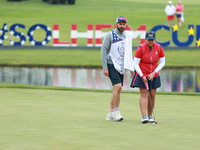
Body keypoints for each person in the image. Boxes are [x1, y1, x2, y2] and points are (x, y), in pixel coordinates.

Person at [101, 16, 134, 121]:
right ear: (116, 24)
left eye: (124, 24)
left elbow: (128, 53)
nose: (122, 26)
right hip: (111, 64)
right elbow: (103, 50)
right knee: (118, 87)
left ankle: (110, 113)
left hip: (121, 65)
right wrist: (105, 67)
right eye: (120, 24)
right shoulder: (110, 35)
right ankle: (116, 111)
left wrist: (130, 67)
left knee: (116, 89)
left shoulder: (126, 36)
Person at [130, 31, 165, 123]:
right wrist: (141, 75)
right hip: (142, 73)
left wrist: (154, 72)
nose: (150, 41)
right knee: (144, 93)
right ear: (146, 40)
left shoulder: (159, 48)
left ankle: (150, 115)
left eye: (152, 39)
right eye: (149, 40)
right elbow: (136, 64)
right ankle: (144, 116)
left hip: (154, 74)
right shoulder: (141, 48)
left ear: (154, 40)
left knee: (152, 95)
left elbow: (162, 63)